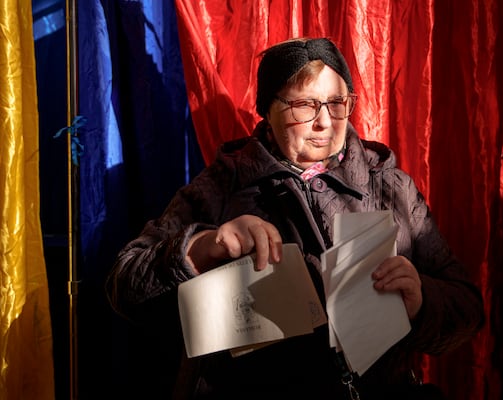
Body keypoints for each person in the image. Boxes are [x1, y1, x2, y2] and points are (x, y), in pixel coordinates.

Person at [106, 37, 484, 400]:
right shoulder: (222, 185)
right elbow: (125, 286)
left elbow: (467, 309)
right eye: (304, 104)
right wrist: (202, 246)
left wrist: (421, 301)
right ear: (266, 111)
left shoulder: (390, 184)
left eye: (337, 102)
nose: (324, 122)